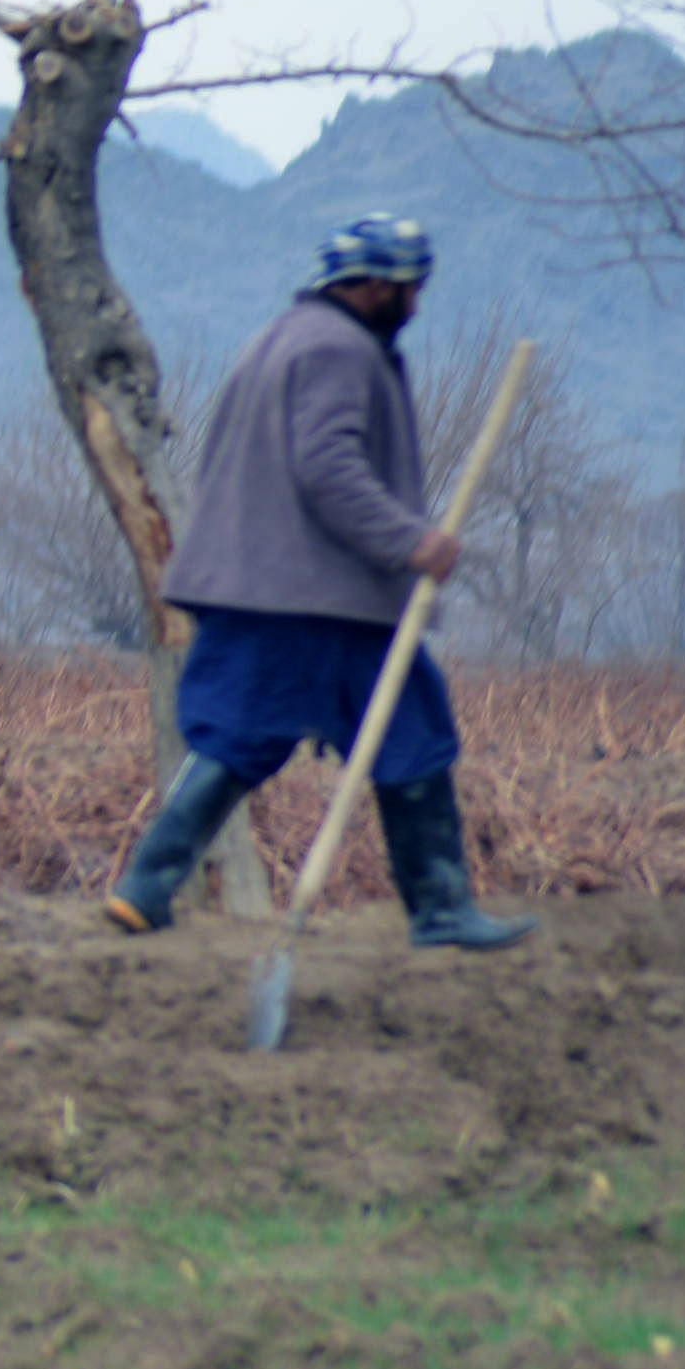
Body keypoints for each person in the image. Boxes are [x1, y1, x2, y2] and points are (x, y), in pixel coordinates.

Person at [101, 214, 533, 951]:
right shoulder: (338, 350)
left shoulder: (283, 338)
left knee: (244, 736)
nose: (416, 305)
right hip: (316, 597)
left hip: (270, 589)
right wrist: (411, 540)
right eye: (409, 289)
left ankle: (144, 888)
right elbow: (327, 469)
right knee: (408, 733)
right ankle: (439, 910)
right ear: (373, 287)